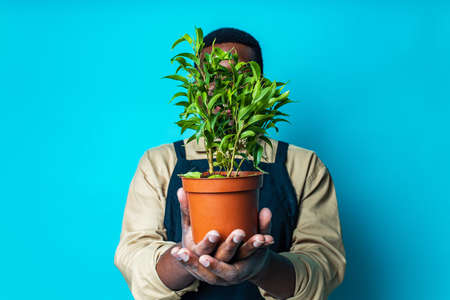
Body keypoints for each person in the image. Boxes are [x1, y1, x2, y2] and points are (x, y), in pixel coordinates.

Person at [114, 27, 346, 300]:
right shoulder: (159, 163)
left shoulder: (303, 166)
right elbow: (135, 261)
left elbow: (323, 268)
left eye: (242, 78)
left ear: (260, 85)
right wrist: (186, 259)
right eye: (214, 78)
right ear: (197, 86)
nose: (226, 91)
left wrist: (261, 267)